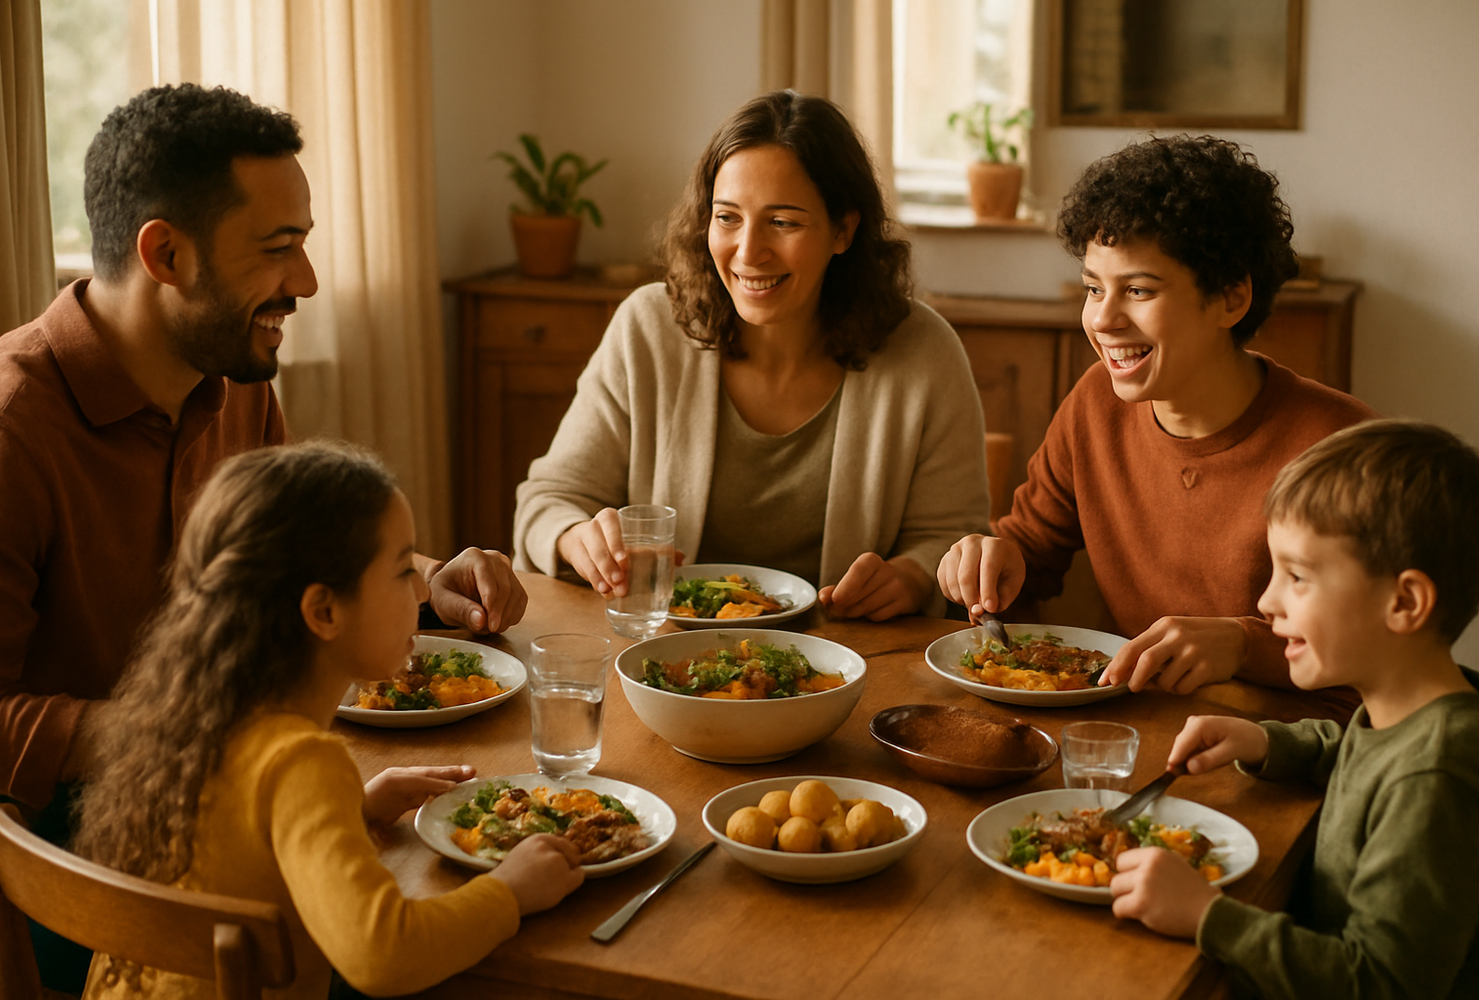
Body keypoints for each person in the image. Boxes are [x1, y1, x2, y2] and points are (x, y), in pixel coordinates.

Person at [0, 83, 525, 818]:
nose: (307, 281)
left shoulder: (234, 377)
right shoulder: (2, 429)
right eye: (279, 249)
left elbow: (301, 553)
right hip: (78, 863)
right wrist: (204, 735)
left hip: (240, 796)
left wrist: (429, 580)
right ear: (166, 253)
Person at [71, 441, 584, 1000]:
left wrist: (352, 808)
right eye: (399, 571)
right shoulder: (304, 762)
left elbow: (241, 844)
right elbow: (383, 955)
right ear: (324, 611)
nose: (420, 590)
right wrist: (511, 890)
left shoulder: (205, 718)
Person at [513, 90, 988, 620]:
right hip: (662, 662)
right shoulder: (646, 329)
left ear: (843, 230)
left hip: (842, 665)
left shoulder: (925, 352)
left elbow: (952, 537)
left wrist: (912, 574)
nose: (748, 251)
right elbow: (547, 500)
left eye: (783, 222)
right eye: (728, 217)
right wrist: (575, 537)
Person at [937, 135, 1375, 696]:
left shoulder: (1340, 447)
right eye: (1094, 288)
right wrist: (991, 560)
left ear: (1231, 299)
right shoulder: (1095, 403)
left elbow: (1372, 644)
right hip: (1138, 730)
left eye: (1139, 290)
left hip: (1298, 750)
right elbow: (1030, 556)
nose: (1104, 319)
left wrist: (1242, 643)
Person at [1109, 419, 1479, 998]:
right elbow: (1363, 757)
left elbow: (1382, 983)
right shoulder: (1407, 710)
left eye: (1298, 577)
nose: (1266, 601)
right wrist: (1267, 741)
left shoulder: (1435, 775)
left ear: (1404, 602)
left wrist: (1208, 917)